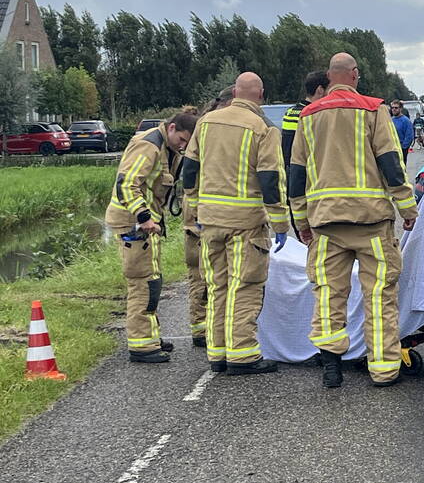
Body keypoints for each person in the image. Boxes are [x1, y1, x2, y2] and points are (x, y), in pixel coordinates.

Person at [288, 53, 418, 389]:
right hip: (370, 221)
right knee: (379, 295)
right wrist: (408, 209)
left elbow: (297, 173)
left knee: (328, 294)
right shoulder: (373, 109)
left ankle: (331, 366)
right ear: (355, 75)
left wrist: (301, 221)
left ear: (329, 78)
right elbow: (391, 163)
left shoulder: (308, 115)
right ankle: (384, 370)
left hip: (326, 223)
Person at [181, 72, 290, 376]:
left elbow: (189, 170)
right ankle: (242, 353)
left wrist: (196, 206)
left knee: (218, 285)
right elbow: (270, 180)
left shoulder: (206, 122)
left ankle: (217, 353)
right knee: (245, 286)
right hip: (246, 224)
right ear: (261, 94)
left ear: (235, 92)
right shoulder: (263, 128)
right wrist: (281, 224)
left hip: (210, 221)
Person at [105, 112, 197, 363]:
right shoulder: (149, 145)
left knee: (152, 279)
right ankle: (142, 344)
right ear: (172, 128)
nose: (183, 146)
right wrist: (144, 216)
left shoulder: (167, 147)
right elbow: (126, 184)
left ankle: (150, 335)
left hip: (146, 224)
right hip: (134, 223)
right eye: (182, 139)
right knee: (143, 282)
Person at [182, 85, 236, 348]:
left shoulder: (208, 125)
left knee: (210, 275)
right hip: (201, 213)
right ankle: (202, 328)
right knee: (203, 276)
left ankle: (208, 328)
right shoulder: (211, 127)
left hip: (204, 210)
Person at [281, 71, 329, 171]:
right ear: (320, 90)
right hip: (304, 169)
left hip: (288, 168)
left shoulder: (290, 112)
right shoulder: (312, 115)